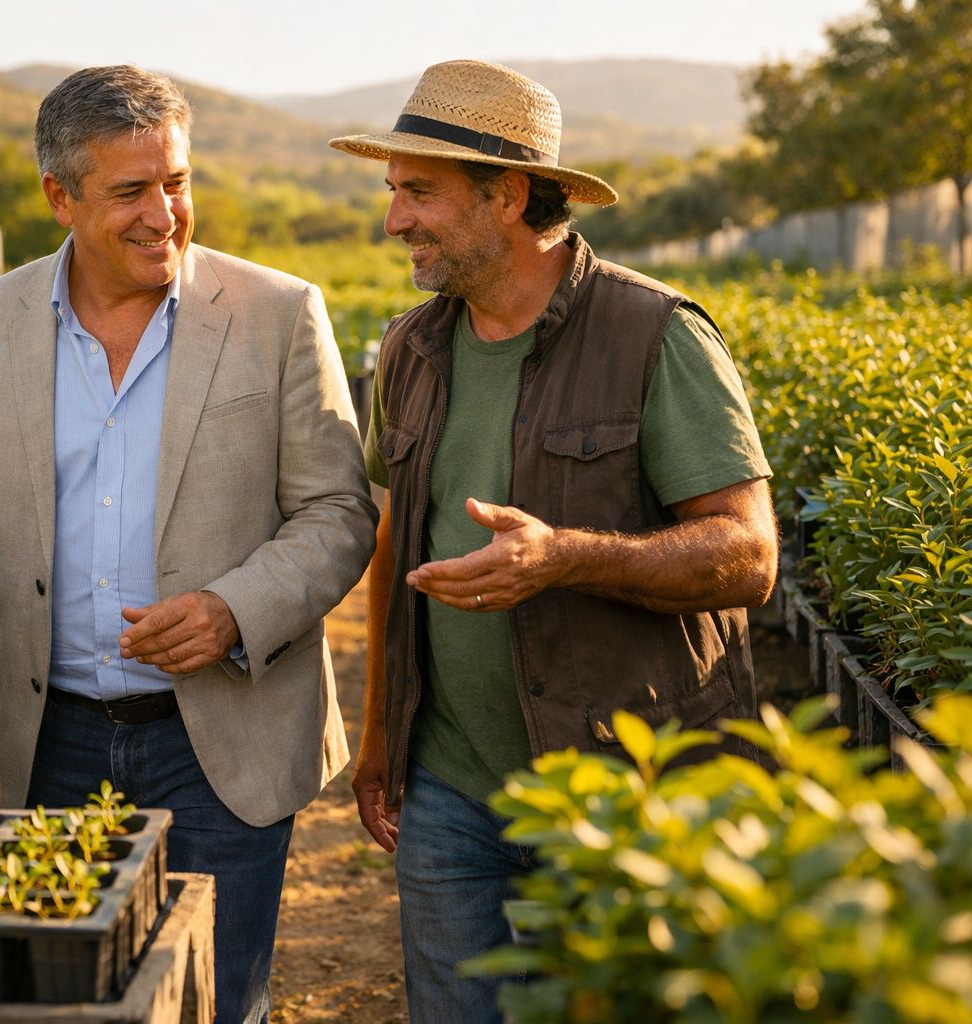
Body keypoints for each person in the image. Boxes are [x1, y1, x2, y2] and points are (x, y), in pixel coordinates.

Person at [0, 65, 377, 1023]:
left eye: (177, 182)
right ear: (58, 198)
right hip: (50, 740)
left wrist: (236, 609)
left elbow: (337, 512)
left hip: (220, 737)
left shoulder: (276, 314)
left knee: (220, 1002)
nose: (164, 214)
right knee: (63, 1005)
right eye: (129, 191)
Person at [328, 60, 778, 1023]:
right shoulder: (411, 350)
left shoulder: (654, 335)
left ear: (511, 195)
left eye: (419, 193)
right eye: (393, 192)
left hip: (621, 790)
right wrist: (379, 737)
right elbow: (391, 547)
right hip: (449, 786)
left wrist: (564, 556)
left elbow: (748, 556)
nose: (394, 221)